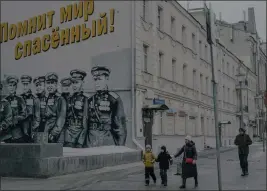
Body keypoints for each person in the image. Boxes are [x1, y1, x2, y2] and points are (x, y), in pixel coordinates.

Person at [87, 66, 127, 147]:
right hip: (90, 139)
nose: (97, 83)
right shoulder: (90, 99)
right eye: (95, 80)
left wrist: (120, 146)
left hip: (106, 139)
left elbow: (120, 126)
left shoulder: (114, 99)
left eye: (100, 79)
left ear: (107, 79)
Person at [65, 70, 89, 148]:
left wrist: (81, 141)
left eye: (77, 83)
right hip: (68, 134)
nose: (74, 86)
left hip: (80, 133)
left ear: (83, 83)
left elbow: (85, 121)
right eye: (73, 83)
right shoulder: (69, 98)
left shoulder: (86, 99)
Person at [44, 72, 67, 143]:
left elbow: (61, 118)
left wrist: (54, 133)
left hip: (55, 134)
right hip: (46, 131)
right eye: (48, 83)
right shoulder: (46, 98)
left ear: (56, 84)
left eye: (52, 83)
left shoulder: (60, 99)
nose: (50, 86)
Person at [5, 75, 27, 143]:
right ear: (7, 87)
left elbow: (24, 114)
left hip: (17, 132)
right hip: (5, 133)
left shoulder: (20, 99)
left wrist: (16, 118)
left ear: (16, 87)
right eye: (10, 85)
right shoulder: (4, 100)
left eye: (13, 85)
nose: (11, 87)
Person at [20, 75, 40, 142]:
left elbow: (37, 117)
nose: (25, 86)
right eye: (23, 84)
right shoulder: (19, 98)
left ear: (30, 84)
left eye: (27, 84)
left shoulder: (35, 99)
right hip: (20, 128)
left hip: (31, 127)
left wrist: (33, 130)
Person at [60, 77, 72, 145]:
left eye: (68, 86)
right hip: (60, 127)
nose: (66, 88)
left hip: (69, 127)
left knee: (69, 145)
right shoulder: (58, 99)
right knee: (59, 144)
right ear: (61, 87)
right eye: (64, 86)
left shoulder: (72, 98)